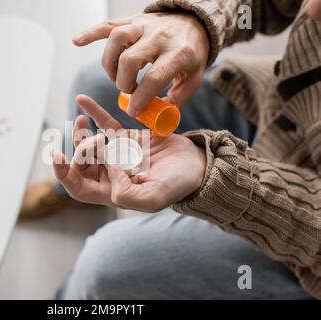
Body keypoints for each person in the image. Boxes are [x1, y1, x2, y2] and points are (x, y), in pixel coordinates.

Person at [24, 0, 321, 299]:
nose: (312, 11)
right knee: (97, 86)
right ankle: (70, 186)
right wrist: (198, 22)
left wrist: (220, 178)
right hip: (284, 109)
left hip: (308, 243)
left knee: (104, 269)